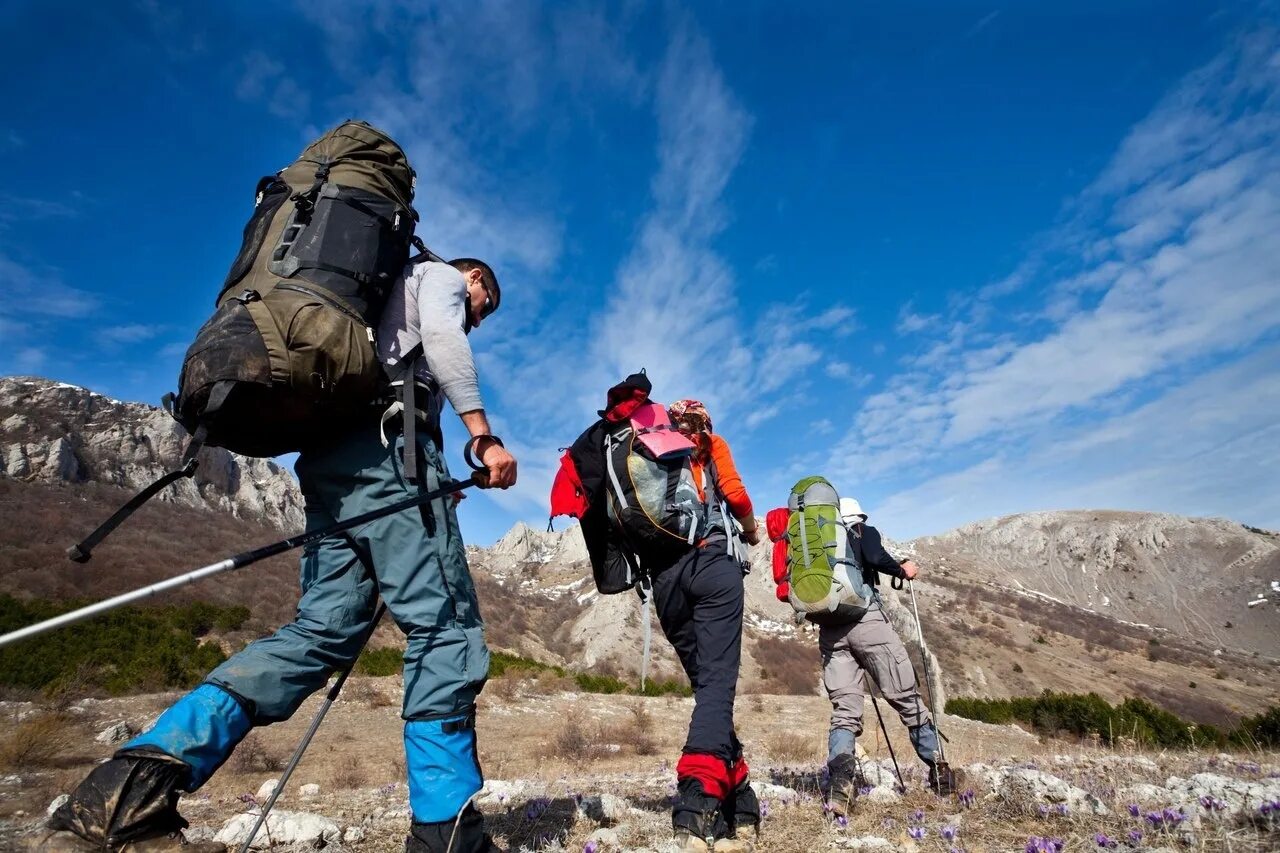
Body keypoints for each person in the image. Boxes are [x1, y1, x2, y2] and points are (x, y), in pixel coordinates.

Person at [39, 257, 518, 853]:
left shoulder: (366, 300)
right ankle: (449, 837)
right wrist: (481, 433)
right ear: (474, 277)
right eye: (485, 304)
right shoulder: (438, 276)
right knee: (444, 630)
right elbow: (445, 341)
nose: (480, 317)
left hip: (328, 465)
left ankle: (119, 800)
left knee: (318, 632)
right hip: (391, 453)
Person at [646, 398, 763, 852]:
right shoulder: (710, 443)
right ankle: (696, 799)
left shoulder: (648, 451)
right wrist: (751, 531)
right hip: (712, 564)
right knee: (716, 684)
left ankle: (741, 798)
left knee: (707, 688)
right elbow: (734, 494)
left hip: (665, 580)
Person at [821, 497, 954, 816]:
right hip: (868, 622)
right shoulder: (861, 531)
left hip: (831, 631)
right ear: (858, 518)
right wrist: (902, 569)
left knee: (845, 711)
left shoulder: (821, 542)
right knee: (905, 696)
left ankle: (840, 789)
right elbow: (875, 555)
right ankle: (940, 773)